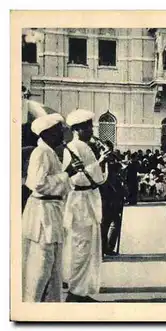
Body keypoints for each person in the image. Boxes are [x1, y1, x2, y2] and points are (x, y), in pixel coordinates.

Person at [22, 114, 82, 302]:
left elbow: (59, 184)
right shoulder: (41, 153)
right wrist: (67, 173)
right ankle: (31, 308)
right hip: (43, 215)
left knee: (54, 269)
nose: (62, 134)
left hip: (52, 212)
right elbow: (37, 184)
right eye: (58, 130)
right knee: (41, 267)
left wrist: (70, 175)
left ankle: (51, 309)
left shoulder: (50, 152)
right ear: (47, 133)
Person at [62, 109, 110, 302]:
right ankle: (75, 292)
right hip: (79, 204)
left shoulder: (84, 146)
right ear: (77, 129)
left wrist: (101, 163)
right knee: (80, 247)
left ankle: (81, 289)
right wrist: (100, 162)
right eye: (87, 126)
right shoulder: (73, 148)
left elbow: (96, 178)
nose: (91, 129)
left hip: (87, 202)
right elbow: (75, 178)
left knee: (87, 246)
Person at [99, 141, 125, 256]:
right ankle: (102, 249)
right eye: (106, 151)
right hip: (105, 197)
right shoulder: (100, 164)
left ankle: (109, 247)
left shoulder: (114, 163)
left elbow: (120, 175)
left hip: (115, 197)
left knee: (115, 222)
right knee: (104, 224)